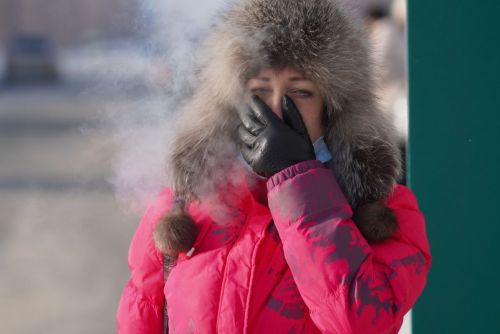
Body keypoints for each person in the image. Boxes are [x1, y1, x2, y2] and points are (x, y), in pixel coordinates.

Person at [116, 0, 431, 333]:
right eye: (260, 90)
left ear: (333, 109)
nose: (277, 111)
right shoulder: (184, 204)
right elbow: (142, 317)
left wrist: (296, 179)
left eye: (300, 92)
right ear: (233, 102)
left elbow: (361, 321)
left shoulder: (384, 211)